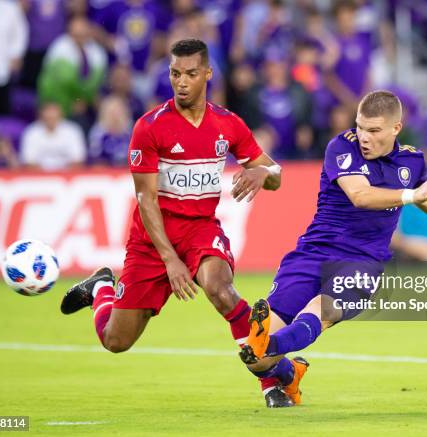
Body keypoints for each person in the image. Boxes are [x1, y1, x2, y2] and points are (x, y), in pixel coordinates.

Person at [238, 90, 427, 407]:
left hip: (362, 262)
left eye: (374, 130)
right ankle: (288, 373)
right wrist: (411, 196)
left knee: (321, 311)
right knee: (255, 362)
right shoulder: (341, 146)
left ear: (395, 129)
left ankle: (270, 343)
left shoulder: (411, 159)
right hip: (312, 253)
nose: (364, 137)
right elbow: (361, 195)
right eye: (360, 127)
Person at [59, 39, 282, 392]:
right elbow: (146, 200)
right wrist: (170, 260)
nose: (181, 82)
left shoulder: (228, 124)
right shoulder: (150, 127)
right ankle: (102, 286)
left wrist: (263, 172)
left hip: (200, 231)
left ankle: (271, 383)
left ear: (207, 74)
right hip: (152, 241)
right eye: (175, 74)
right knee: (116, 341)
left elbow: (276, 175)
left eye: (191, 74)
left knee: (221, 291)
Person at [20, 102, 87, 170]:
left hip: (68, 175)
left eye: (54, 117)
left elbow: (78, 161)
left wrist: (59, 175)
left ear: (61, 115)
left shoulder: (73, 130)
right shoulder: (31, 132)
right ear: (41, 116)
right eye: (48, 117)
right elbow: (28, 163)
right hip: (39, 177)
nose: (51, 119)